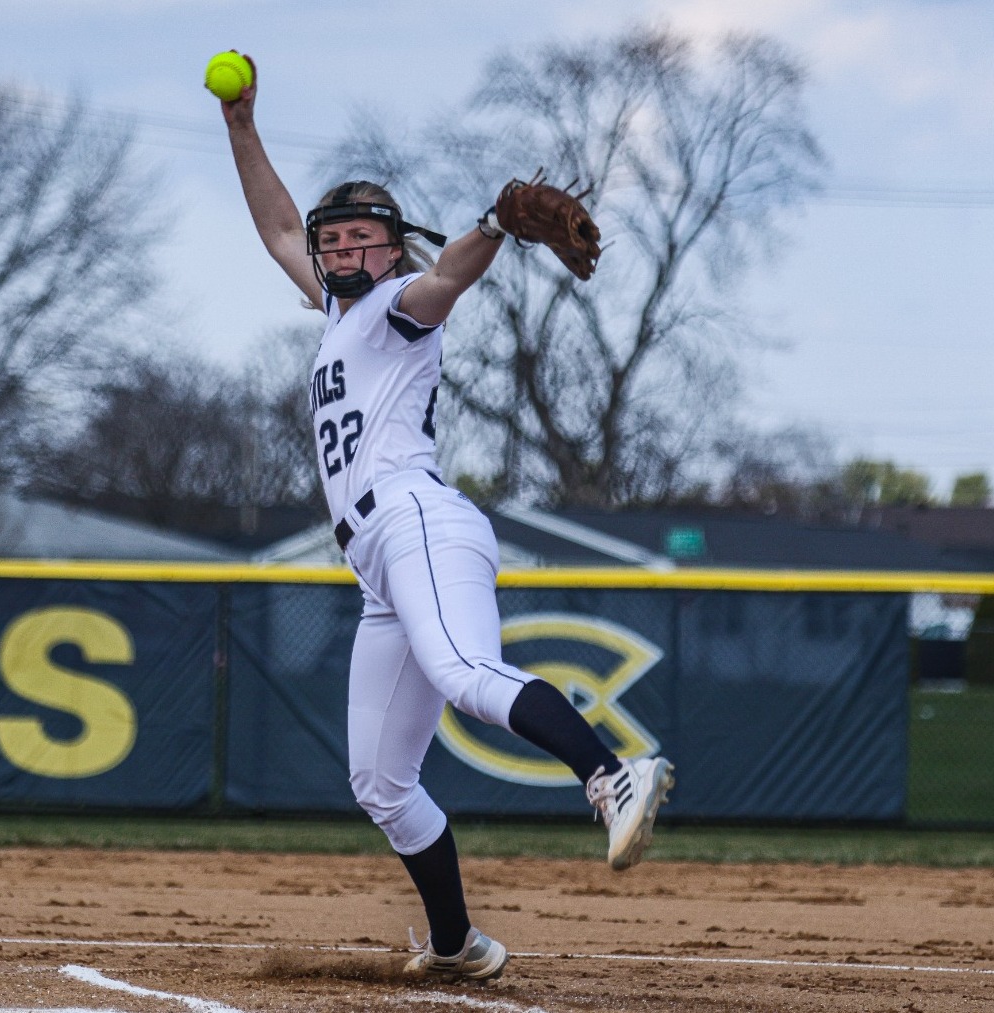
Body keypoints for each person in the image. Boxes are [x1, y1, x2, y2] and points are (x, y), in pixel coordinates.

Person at [218, 57, 673, 983]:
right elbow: (274, 225)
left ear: (393, 249)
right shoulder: (335, 316)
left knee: (468, 674)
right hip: (378, 566)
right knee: (380, 783)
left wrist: (495, 223)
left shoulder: (399, 305)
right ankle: (459, 943)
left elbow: (450, 280)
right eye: (333, 239)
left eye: (362, 237)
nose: (343, 250)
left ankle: (612, 772)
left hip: (417, 523)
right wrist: (240, 124)